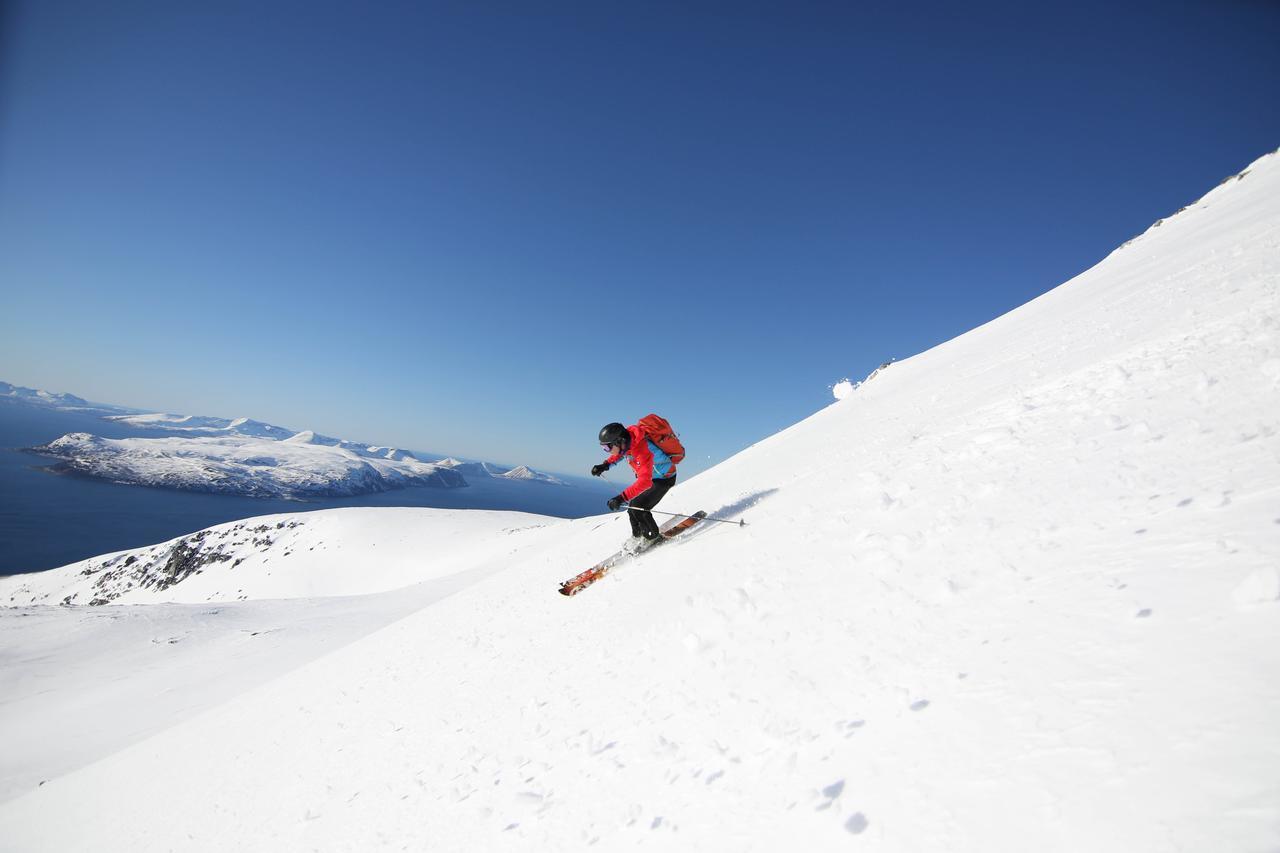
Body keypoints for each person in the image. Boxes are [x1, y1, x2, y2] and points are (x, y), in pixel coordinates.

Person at [592, 421, 677, 554]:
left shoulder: (642, 450)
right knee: (632, 508)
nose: (607, 451)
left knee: (639, 508)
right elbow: (621, 454)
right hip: (654, 477)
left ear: (619, 441)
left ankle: (653, 537)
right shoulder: (629, 441)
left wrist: (621, 498)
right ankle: (637, 537)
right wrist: (605, 465)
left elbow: (644, 482)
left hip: (664, 479)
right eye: (604, 448)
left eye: (607, 448)